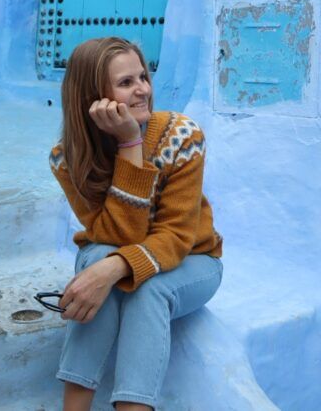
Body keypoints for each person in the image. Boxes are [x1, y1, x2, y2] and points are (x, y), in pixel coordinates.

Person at [48, 37, 223, 411]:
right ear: (92, 95)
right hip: (114, 249)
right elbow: (115, 235)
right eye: (126, 83)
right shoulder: (67, 159)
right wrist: (130, 148)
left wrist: (130, 142)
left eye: (143, 76)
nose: (143, 89)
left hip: (193, 261)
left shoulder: (181, 136)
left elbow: (176, 238)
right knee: (100, 263)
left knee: (144, 290)